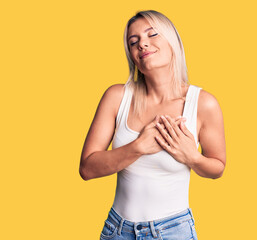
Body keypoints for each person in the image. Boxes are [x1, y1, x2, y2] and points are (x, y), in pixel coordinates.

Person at [79, 10, 226, 240]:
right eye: (133, 41)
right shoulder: (117, 97)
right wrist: (138, 147)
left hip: (173, 231)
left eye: (152, 34)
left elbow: (218, 167)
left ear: (173, 41)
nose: (142, 44)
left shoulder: (203, 104)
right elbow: (87, 169)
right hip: (117, 231)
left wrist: (192, 158)